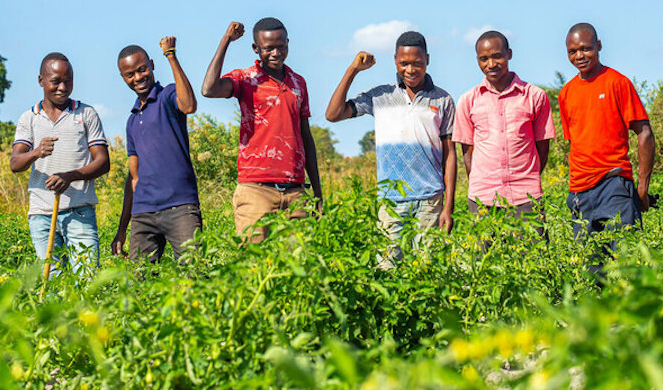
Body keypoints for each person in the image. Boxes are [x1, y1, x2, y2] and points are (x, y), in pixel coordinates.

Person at [325, 31, 456, 268]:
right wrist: (352, 70)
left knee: (428, 270)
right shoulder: (380, 96)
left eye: (417, 63)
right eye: (404, 63)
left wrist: (448, 206)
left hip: (430, 199)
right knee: (386, 268)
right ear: (395, 60)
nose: (410, 69)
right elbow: (333, 114)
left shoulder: (443, 99)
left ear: (427, 59)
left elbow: (450, 156)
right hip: (391, 201)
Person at [201, 19, 322, 242]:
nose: (276, 53)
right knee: (251, 265)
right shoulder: (245, 79)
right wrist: (226, 40)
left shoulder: (298, 83)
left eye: (281, 46)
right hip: (255, 190)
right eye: (268, 48)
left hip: (296, 191)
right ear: (256, 49)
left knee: (302, 266)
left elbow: (305, 136)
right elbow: (209, 89)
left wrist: (317, 193)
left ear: (287, 43)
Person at [559, 23, 655, 275]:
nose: (579, 56)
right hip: (579, 191)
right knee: (591, 273)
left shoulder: (617, 83)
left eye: (585, 49)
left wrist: (642, 187)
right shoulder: (566, 93)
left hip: (613, 184)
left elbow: (644, 134)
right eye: (572, 51)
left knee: (628, 266)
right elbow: (576, 143)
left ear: (599, 46)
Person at [10, 52, 110, 275]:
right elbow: (15, 163)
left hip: (79, 212)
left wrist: (70, 176)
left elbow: (103, 162)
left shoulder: (86, 114)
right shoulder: (29, 118)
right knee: (51, 280)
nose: (62, 87)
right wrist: (36, 152)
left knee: (87, 278)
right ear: (41, 81)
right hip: (41, 215)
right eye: (55, 81)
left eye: (68, 81)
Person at [452, 31, 555, 244]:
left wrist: (527, 177)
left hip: (526, 197)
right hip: (483, 200)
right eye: (483, 58)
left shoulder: (535, 96)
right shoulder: (468, 100)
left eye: (497, 56)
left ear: (509, 54)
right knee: (486, 268)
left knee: (534, 265)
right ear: (477, 60)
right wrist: (482, 181)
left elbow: (542, 146)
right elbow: (467, 151)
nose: (491, 63)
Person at [111, 37, 202, 262]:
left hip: (180, 207)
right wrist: (122, 228)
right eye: (129, 74)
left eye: (142, 70)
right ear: (123, 78)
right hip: (143, 214)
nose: (138, 77)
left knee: (195, 275)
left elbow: (189, 105)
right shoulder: (132, 121)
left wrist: (171, 55)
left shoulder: (168, 96)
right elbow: (134, 177)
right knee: (139, 283)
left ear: (151, 64)